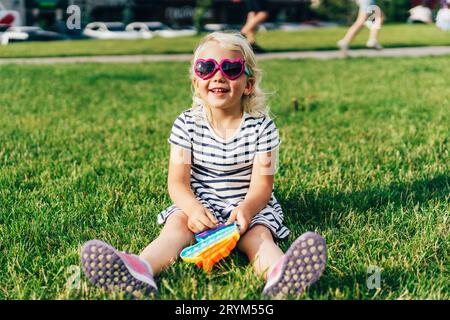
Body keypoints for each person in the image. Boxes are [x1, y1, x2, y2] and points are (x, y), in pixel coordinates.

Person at [80, 32, 327, 299]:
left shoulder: (262, 128)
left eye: (231, 69)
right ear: (196, 82)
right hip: (198, 204)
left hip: (246, 207)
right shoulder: (186, 124)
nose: (218, 76)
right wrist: (193, 208)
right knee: (174, 231)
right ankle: (138, 270)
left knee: (259, 239)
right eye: (207, 68)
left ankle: (281, 274)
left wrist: (246, 209)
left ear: (248, 84)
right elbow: (177, 182)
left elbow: (262, 185)